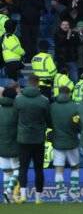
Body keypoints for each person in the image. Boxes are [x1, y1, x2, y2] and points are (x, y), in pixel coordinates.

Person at [14, 75, 49, 203]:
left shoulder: (18, 100)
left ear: (28, 83)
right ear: (38, 83)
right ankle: (38, 198)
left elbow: (14, 118)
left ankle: (23, 195)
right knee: (39, 169)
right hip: (38, 139)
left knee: (23, 168)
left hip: (23, 138)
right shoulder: (43, 100)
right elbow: (48, 119)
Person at [50, 86, 80, 202]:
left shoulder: (52, 107)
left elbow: (49, 122)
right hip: (72, 141)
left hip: (57, 142)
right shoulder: (74, 107)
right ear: (69, 93)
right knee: (75, 167)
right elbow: (78, 124)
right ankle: (74, 193)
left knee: (59, 169)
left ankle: (62, 195)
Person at [0, 87, 19, 203]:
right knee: (19, 170)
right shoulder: (16, 110)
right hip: (14, 144)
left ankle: (7, 198)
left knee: (7, 172)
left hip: (1, 145)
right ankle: (8, 191)